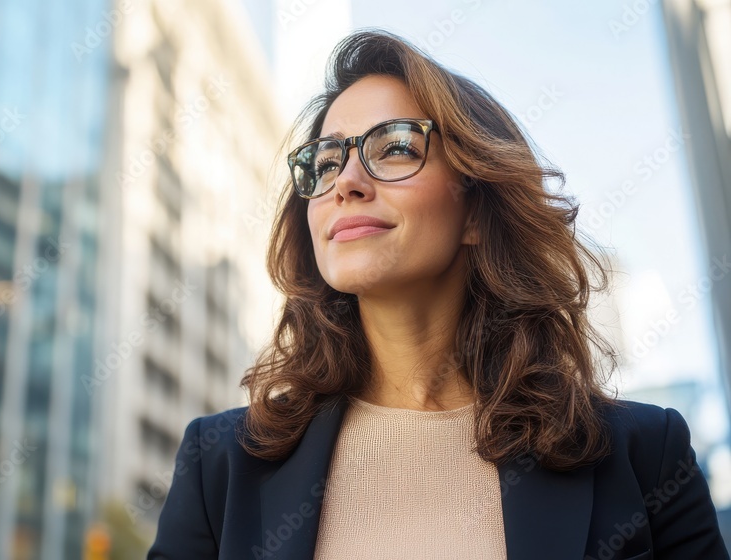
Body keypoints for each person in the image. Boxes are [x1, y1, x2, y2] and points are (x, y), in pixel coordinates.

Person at [146, 29, 730, 560]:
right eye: (324, 163)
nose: (346, 183)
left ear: (476, 206)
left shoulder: (645, 457)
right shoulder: (220, 465)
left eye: (395, 147)